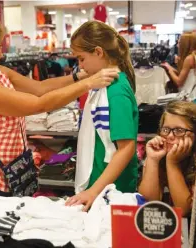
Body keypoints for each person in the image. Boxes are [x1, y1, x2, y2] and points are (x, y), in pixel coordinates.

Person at [0, 9, 119, 196]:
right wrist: (88, 84)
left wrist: (79, 76)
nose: (0, 54)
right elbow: (39, 103)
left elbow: (40, 87)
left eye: (0, 46)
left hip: (13, 171)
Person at [65, 21, 138, 211]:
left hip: (112, 189)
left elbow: (126, 148)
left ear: (98, 52)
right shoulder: (103, 85)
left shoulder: (116, 91)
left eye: (81, 59)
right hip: (101, 183)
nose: (80, 66)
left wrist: (94, 191)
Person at [138, 101, 196, 216]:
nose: (170, 136)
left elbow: (184, 211)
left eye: (179, 131)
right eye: (165, 130)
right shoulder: (160, 154)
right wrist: (152, 159)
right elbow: (147, 204)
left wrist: (172, 163)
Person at [162, 33, 196, 104]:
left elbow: (179, 82)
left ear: (186, 44)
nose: (178, 45)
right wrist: (170, 67)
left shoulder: (189, 58)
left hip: (191, 98)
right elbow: (187, 75)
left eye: (179, 43)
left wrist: (170, 70)